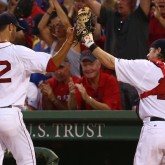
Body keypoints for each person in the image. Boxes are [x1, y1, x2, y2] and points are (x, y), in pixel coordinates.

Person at [80, 30, 165, 164]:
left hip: (155, 130)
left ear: (158, 51)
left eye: (151, 51)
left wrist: (89, 43)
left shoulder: (148, 67)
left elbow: (110, 62)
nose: (148, 55)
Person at [0, 12, 74, 164]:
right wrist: (68, 42)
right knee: (27, 161)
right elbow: (52, 65)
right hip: (9, 114)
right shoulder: (17, 52)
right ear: (10, 27)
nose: (17, 32)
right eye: (16, 28)